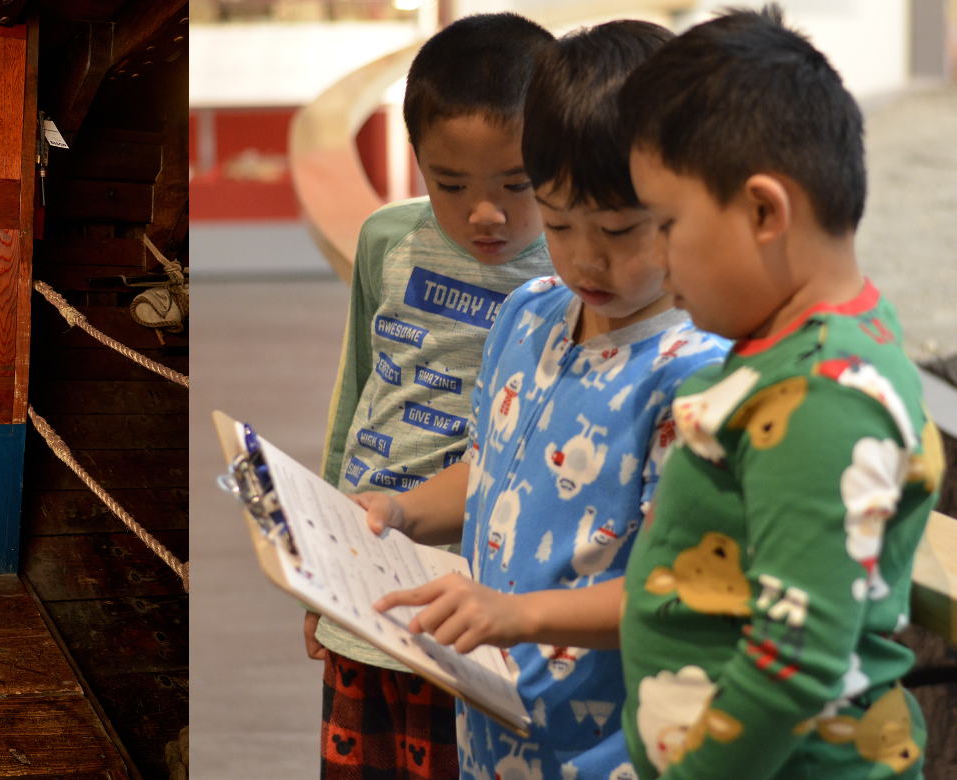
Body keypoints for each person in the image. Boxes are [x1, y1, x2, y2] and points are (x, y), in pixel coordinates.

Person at [356, 21, 730, 780]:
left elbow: (683, 591)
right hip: (494, 732)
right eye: (559, 222)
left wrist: (518, 616)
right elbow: (495, 470)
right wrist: (397, 512)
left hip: (612, 749)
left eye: (620, 230)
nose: (586, 257)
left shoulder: (696, 375)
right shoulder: (527, 313)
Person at [610, 8, 939, 780]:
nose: (659, 260)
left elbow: (795, 661)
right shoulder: (805, 347)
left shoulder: (824, 397)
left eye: (666, 225)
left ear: (764, 211)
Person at [312, 13, 556, 779]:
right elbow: (357, 391)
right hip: (368, 570)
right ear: (416, 159)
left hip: (486, 599)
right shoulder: (387, 242)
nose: (487, 213)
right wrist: (318, 559)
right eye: (452, 185)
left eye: (518, 184)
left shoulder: (576, 270)